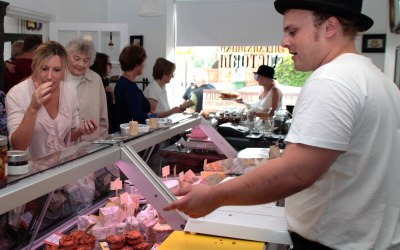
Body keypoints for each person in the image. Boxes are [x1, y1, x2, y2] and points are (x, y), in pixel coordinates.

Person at [164, 0, 400, 249]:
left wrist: (213, 197)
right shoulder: (381, 81)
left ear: (330, 27)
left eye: (293, 31)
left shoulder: (332, 79)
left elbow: (296, 172)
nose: (284, 42)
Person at [6, 41, 98, 158]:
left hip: (61, 168)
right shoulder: (16, 94)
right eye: (44, 68)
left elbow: (66, 136)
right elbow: (18, 146)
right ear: (35, 67)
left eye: (56, 70)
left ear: (64, 71)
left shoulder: (68, 91)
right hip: (31, 173)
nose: (50, 76)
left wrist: (81, 130)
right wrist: (32, 108)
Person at [65, 37, 109, 141]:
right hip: (64, 146)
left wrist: (102, 142)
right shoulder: (58, 78)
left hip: (90, 144)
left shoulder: (96, 80)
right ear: (67, 56)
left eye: (86, 60)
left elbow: (103, 117)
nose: (81, 64)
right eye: (76, 59)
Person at [114, 44, 150, 125]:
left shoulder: (124, 82)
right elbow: (136, 117)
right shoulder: (129, 87)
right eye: (142, 62)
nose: (143, 65)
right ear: (137, 64)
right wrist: (148, 116)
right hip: (131, 133)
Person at [90, 52, 117, 133]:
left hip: (108, 124)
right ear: (101, 65)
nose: (111, 67)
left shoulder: (104, 81)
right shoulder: (96, 83)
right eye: (109, 63)